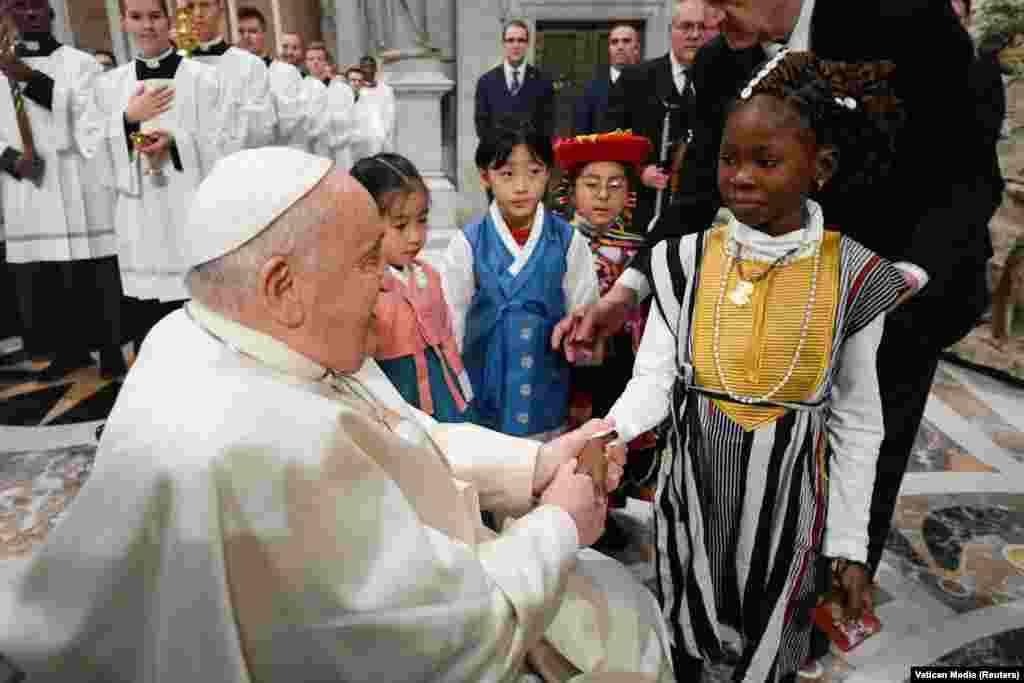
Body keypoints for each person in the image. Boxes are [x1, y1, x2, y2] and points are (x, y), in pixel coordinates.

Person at [0, 146, 672, 682]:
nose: (386, 281)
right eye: (366, 262)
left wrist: (538, 462)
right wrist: (559, 521)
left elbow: (402, 431)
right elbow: (442, 642)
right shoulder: (252, 444)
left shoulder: (229, 332)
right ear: (282, 286)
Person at [558, 0, 999, 633]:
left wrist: (898, 281)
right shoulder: (720, 60)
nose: (710, 13)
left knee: (859, 443)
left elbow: (964, 180)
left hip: (894, 289)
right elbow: (696, 193)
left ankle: (819, 607)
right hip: (763, 290)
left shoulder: (909, 22)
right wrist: (627, 290)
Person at [605, 52, 911, 682]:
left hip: (791, 507)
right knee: (684, 629)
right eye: (728, 159)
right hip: (692, 496)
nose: (740, 177)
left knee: (775, 645)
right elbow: (653, 381)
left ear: (819, 168)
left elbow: (857, 419)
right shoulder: (683, 262)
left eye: (765, 162)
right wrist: (607, 436)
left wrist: (850, 546)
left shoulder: (853, 275)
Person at [76, 0, 230, 344]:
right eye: (136, 17)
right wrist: (127, 120)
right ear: (125, 22)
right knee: (150, 332)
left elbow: (228, 145)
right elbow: (91, 152)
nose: (147, 26)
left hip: (191, 218)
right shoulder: (109, 86)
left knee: (201, 329)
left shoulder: (205, 79)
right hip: (140, 222)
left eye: (155, 16)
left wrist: (176, 143)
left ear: (169, 20)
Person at [442, 124, 600, 441]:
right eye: (507, 174)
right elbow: (452, 326)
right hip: (486, 395)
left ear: (548, 174)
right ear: (486, 177)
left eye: (533, 172)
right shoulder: (468, 243)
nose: (521, 187)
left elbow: (585, 318)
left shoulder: (568, 241)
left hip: (550, 394)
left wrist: (582, 393)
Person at [0, 0, 127, 378]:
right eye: (20, 8)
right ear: (10, 17)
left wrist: (26, 76)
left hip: (76, 181)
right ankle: (67, 349)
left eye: (38, 7)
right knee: (47, 274)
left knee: (91, 269)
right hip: (30, 184)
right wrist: (9, 160)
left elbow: (86, 117)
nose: (31, 15)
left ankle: (109, 349)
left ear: (51, 13)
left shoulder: (81, 64)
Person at [360, 153, 479, 423]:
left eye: (422, 220)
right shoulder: (365, 286)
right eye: (400, 225)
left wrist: (464, 390)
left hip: (442, 393)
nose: (415, 237)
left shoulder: (428, 275)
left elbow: (447, 340)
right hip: (395, 397)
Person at [601, 0, 716, 234]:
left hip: (701, 218)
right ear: (671, 29)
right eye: (686, 26)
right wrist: (640, 172)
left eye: (701, 27)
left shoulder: (720, 82)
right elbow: (610, 142)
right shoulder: (635, 79)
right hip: (644, 212)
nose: (694, 35)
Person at [187, 0, 275, 150]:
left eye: (204, 5)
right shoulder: (177, 67)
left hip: (238, 166)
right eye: (190, 6)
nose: (197, 14)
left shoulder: (250, 65)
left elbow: (262, 132)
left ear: (220, 8)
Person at [236, 7, 310, 150]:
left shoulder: (287, 72)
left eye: (252, 31)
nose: (246, 36)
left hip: (280, 153)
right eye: (241, 32)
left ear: (264, 34)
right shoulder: (233, 75)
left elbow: (293, 122)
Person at [474, 20, 555, 142]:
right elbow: (482, 124)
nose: (516, 45)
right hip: (499, 157)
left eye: (521, 40)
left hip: (530, 157)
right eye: (510, 40)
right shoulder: (486, 82)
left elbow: (548, 125)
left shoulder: (543, 82)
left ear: (528, 44)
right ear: (504, 44)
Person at [574, 23, 641, 135]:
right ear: (609, 49)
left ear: (637, 49)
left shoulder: (651, 85)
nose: (620, 47)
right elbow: (580, 135)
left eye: (626, 41)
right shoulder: (590, 89)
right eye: (614, 42)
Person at [349, 55, 396, 158]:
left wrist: (384, 135)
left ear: (376, 69)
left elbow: (390, 116)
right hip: (360, 141)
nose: (368, 70)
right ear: (360, 69)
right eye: (364, 67)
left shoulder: (386, 90)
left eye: (371, 66)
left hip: (382, 139)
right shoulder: (354, 90)